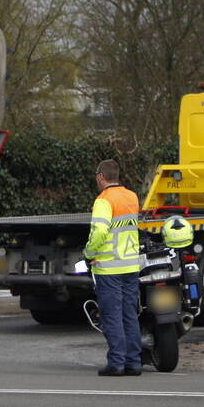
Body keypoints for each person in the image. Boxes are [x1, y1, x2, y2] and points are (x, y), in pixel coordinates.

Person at [84, 159, 142, 376]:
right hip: (130, 266)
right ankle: (133, 363)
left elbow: (99, 232)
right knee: (129, 315)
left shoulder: (103, 201)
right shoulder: (131, 196)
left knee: (111, 316)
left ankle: (116, 363)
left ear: (101, 176)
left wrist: (89, 253)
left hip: (108, 267)